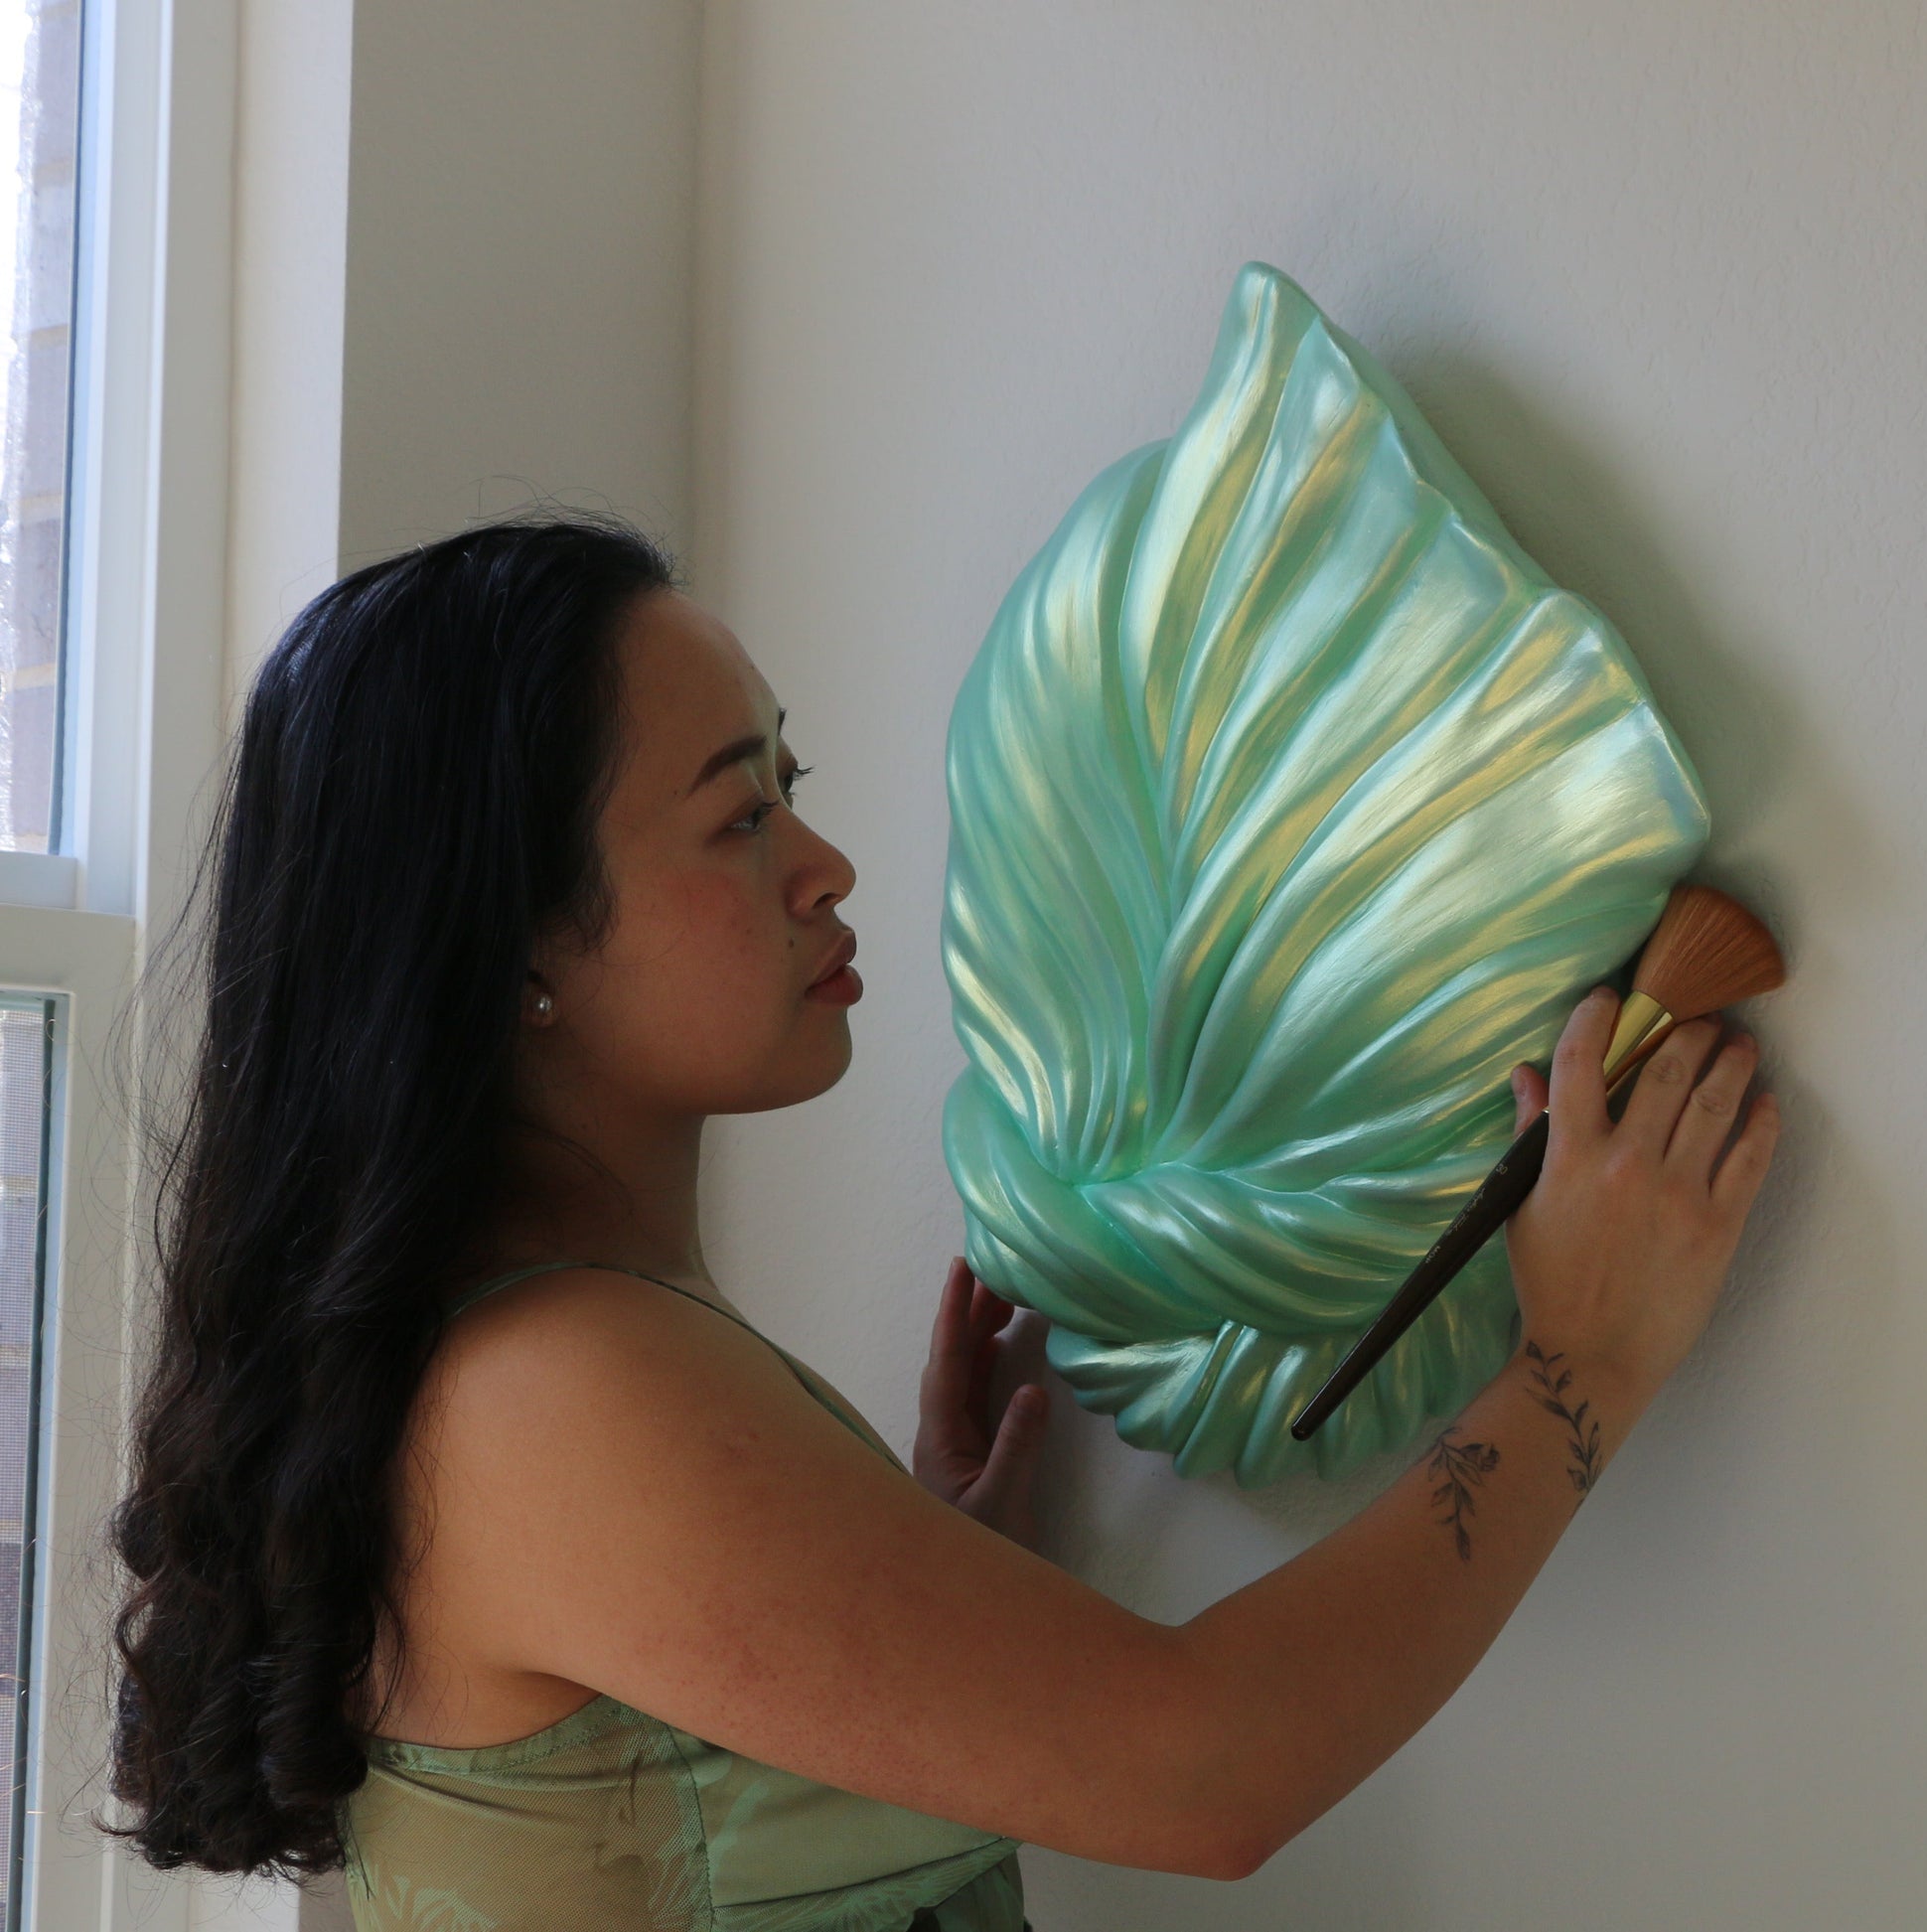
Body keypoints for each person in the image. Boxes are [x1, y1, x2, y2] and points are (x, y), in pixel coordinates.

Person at [105, 513, 1781, 1930]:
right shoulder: (551, 1387)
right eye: (737, 812)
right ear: (516, 948)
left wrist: (913, 1568)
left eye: (793, 778)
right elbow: (1211, 1775)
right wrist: (1582, 1362)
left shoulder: (520, 1359)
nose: (824, 860)